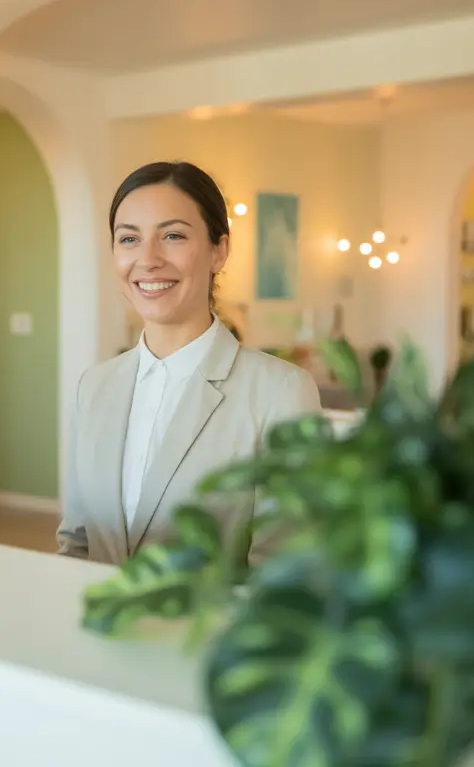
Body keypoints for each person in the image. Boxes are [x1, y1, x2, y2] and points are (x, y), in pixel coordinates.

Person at [57, 161, 322, 565]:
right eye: (129, 239)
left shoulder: (281, 393)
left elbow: (285, 573)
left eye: (173, 236)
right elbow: (76, 542)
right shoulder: (93, 387)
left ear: (219, 250)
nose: (148, 259)